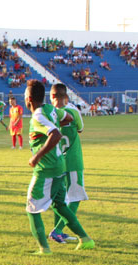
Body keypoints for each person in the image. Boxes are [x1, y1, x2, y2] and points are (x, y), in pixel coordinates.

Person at [24, 79, 94, 254]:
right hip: (60, 167)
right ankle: (85, 239)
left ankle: (44, 249)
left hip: (46, 169)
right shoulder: (52, 110)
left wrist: (36, 157)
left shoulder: (38, 116)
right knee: (60, 205)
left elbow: (55, 134)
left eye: (25, 95)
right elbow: (68, 118)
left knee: (32, 209)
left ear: (29, 99)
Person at [49, 83, 88, 244]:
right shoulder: (73, 111)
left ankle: (59, 231)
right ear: (66, 97)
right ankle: (57, 230)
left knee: (60, 200)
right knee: (76, 198)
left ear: (51, 97)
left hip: (57, 162)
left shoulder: (50, 114)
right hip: (73, 161)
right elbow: (80, 129)